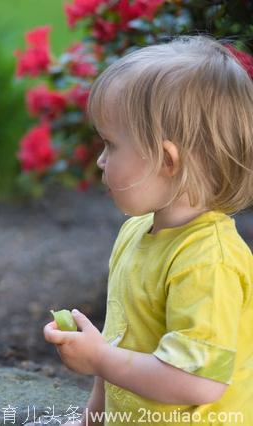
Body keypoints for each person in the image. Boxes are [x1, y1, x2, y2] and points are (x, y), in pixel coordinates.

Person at [44, 36, 253, 426]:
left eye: (111, 144)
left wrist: (99, 358)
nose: (102, 160)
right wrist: (94, 416)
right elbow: (121, 337)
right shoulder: (136, 231)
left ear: (168, 159)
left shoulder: (209, 261)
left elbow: (198, 381)